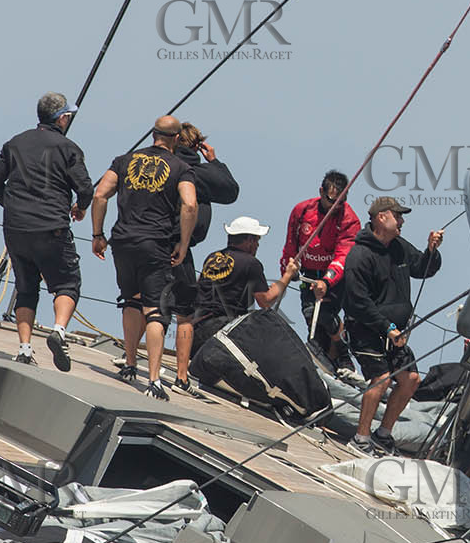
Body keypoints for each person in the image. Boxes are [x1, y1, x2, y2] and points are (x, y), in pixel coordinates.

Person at [90, 115, 197, 401]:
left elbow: (100, 194)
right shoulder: (181, 168)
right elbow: (189, 204)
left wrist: (97, 234)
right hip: (155, 244)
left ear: (153, 135)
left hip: (122, 241)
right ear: (176, 139)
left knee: (130, 299)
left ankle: (129, 363)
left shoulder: (124, 160)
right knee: (156, 311)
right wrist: (183, 244)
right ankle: (153, 380)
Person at [0, 92, 91, 371]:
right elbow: (85, 188)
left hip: (16, 228)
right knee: (67, 284)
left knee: (26, 288)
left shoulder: (15, 143)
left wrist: (11, 205)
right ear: (62, 118)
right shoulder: (69, 148)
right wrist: (81, 207)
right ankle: (58, 331)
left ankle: (24, 349)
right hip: (52, 227)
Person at [341, 197, 443, 455]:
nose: (402, 221)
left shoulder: (398, 246)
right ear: (381, 217)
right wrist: (387, 327)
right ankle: (360, 439)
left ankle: (382, 435)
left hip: (394, 333)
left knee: (410, 379)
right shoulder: (359, 255)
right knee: (382, 379)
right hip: (365, 329)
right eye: (397, 216)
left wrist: (432, 250)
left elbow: (422, 268)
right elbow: (357, 302)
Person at [169, 122, 240, 396]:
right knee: (184, 314)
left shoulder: (166, 165)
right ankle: (181, 375)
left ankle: (129, 360)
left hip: (150, 242)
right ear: (196, 146)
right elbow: (231, 191)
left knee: (143, 303)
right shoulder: (198, 173)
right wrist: (215, 161)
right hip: (181, 249)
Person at [282, 170, 361, 373]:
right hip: (308, 272)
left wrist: (327, 281)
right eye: (331, 200)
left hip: (334, 277)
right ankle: (324, 362)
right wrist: (286, 269)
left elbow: (344, 254)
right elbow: (291, 243)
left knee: (326, 315)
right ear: (321, 192)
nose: (335, 206)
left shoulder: (349, 219)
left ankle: (343, 356)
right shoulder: (302, 210)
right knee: (312, 319)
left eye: (341, 201)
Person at [189, 216, 297, 354]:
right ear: (249, 240)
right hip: (222, 334)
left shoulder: (212, 257)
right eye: (257, 240)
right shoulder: (251, 263)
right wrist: (287, 276)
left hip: (194, 331)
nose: (258, 245)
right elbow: (265, 300)